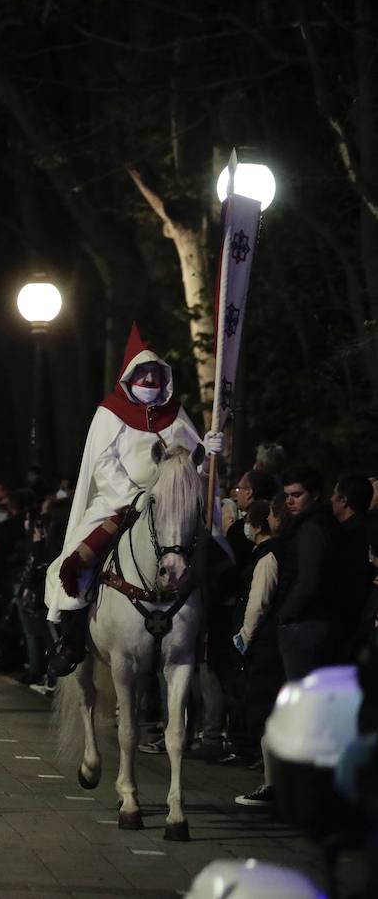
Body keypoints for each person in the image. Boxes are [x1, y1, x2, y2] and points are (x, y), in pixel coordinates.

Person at [44, 324, 220, 676]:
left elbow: (190, 466)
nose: (151, 378)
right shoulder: (109, 413)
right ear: (130, 376)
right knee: (74, 561)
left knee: (216, 554)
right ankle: (73, 639)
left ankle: (212, 631)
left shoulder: (175, 416)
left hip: (169, 505)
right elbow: (103, 462)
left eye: (156, 372)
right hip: (119, 503)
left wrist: (210, 451)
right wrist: (133, 496)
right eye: (145, 372)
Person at [232, 496, 289, 807]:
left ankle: (273, 785)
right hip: (272, 642)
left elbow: (258, 602)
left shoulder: (268, 557)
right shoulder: (275, 552)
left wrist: (244, 636)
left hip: (265, 644)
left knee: (265, 712)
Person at [274, 467, 341, 680]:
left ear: (315, 495)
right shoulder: (316, 524)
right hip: (312, 621)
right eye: (287, 496)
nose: (290, 502)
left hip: (305, 624)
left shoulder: (311, 528)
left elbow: (308, 581)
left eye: (297, 495)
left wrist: (284, 615)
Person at [332, 473, 375, 660]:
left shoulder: (346, 537)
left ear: (344, 501)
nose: (330, 499)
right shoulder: (369, 529)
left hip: (348, 626)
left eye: (334, 494)